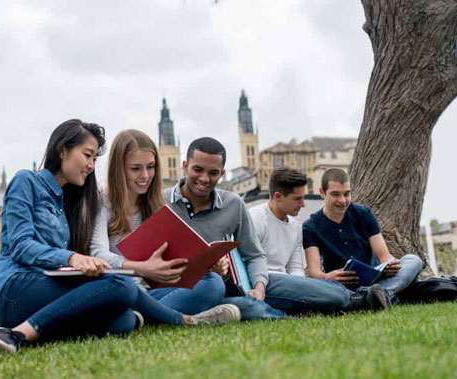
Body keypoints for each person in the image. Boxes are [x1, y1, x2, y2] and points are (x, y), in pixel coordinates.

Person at [0, 120, 238, 358]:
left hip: (49, 289)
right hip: (16, 287)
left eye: (95, 159)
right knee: (120, 284)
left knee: (124, 320)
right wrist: (73, 258)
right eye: (87, 156)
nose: (91, 165)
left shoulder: (69, 202)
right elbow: (22, 246)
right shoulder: (26, 181)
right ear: (63, 150)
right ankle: (15, 335)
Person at [90, 129, 236, 317]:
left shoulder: (155, 203)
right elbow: (98, 254)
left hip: (152, 293)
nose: (145, 175)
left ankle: (145, 316)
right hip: (120, 291)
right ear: (119, 169)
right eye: (136, 168)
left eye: (150, 167)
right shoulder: (102, 201)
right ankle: (167, 316)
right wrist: (142, 268)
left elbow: (170, 259)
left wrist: (206, 264)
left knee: (213, 283)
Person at [163, 137, 287, 320]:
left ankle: (344, 298)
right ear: (185, 166)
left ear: (221, 174)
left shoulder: (233, 204)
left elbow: (254, 254)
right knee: (250, 307)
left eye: (213, 173)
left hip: (223, 287)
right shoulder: (160, 202)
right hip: (178, 289)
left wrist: (259, 287)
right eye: (197, 170)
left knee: (331, 295)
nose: (204, 179)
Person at [250, 167, 388, 313]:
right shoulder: (255, 218)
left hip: (289, 283)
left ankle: (363, 298)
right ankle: (360, 300)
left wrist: (303, 287)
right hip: (265, 281)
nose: (303, 204)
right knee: (336, 293)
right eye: (297, 199)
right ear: (278, 196)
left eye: (303, 198)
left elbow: (295, 268)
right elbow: (252, 261)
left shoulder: (296, 227)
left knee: (330, 289)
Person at [303, 168, 423, 305]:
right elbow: (314, 272)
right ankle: (385, 295)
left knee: (413, 260)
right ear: (322, 193)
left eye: (347, 194)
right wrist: (327, 277)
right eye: (336, 194)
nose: (342, 200)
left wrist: (390, 264)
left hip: (375, 281)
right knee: (331, 294)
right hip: (340, 286)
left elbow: (384, 256)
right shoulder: (310, 226)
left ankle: (379, 294)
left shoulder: (364, 213)